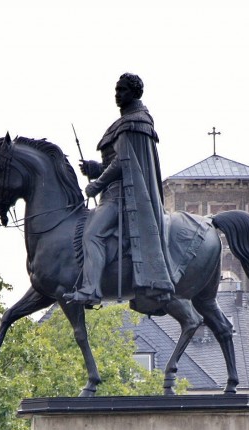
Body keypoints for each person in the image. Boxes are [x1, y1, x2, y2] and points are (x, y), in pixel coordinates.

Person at [66, 72, 174, 308]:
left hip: (123, 197)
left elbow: (122, 163)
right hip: (113, 192)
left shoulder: (135, 121)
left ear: (134, 93)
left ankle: (91, 289)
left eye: (122, 90)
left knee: (92, 234)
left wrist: (97, 184)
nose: (117, 94)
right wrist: (95, 169)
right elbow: (117, 162)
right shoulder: (127, 121)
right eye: (116, 90)